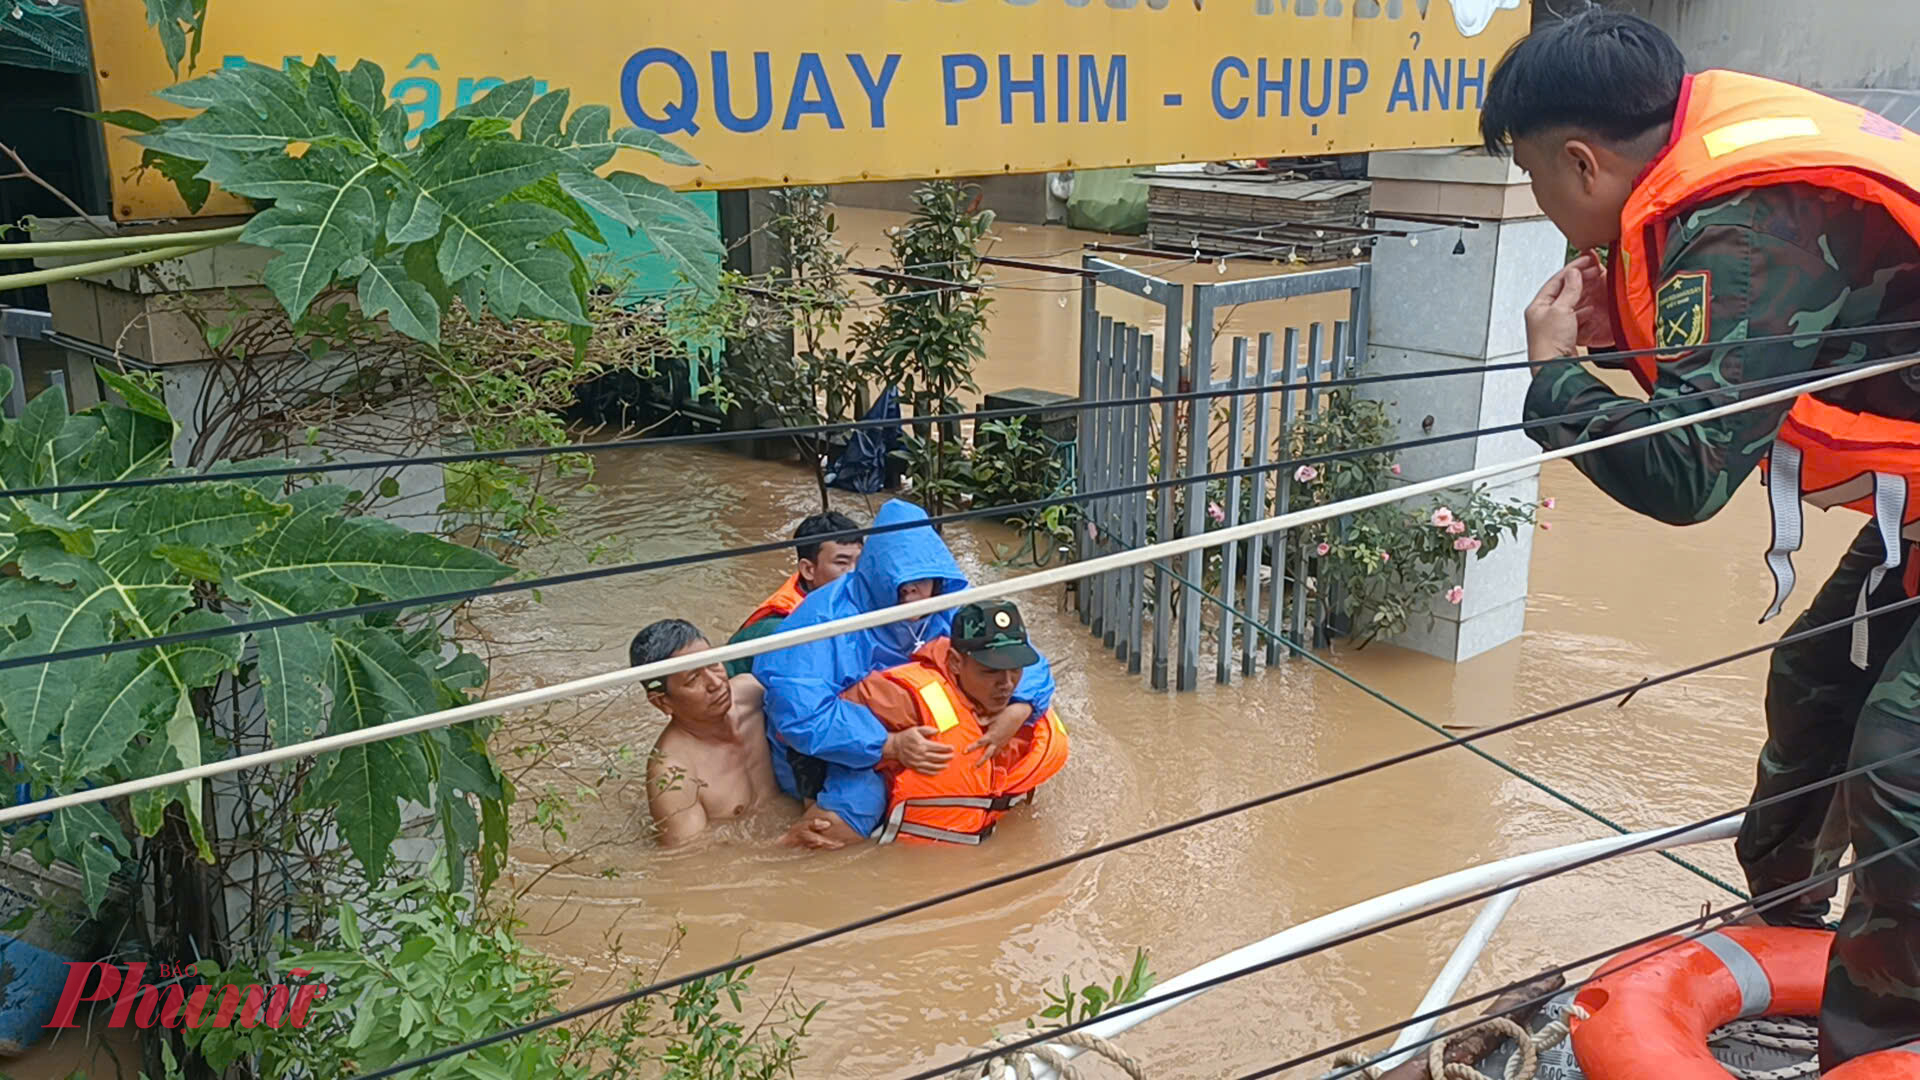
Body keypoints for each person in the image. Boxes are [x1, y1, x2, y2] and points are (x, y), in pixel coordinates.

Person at [1481, 10, 1920, 1066]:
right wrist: (1624, 345)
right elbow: (1741, 363)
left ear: (1582, 161)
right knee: (1815, 684)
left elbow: (1686, 478)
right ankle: (1789, 934)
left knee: (1900, 763)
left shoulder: (1746, 223)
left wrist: (1552, 379)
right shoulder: (1712, 190)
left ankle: (1881, 1041)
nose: (1546, 213)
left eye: (1538, 183)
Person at [754, 499, 1057, 850]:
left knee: (1023, 745)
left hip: (916, 729)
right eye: (902, 583)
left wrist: (1016, 709)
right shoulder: (825, 620)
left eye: (921, 581)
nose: (913, 593)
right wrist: (889, 745)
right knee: (847, 821)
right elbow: (799, 713)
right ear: (879, 576)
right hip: (838, 748)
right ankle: (780, 848)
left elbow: (1026, 659)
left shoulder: (948, 603)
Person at [835, 599, 1069, 845]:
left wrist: (1020, 708)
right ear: (956, 663)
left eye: (1015, 669)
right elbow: (823, 728)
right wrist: (890, 745)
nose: (1007, 683)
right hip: (916, 861)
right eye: (990, 671)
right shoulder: (902, 697)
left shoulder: (1028, 702)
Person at [631, 619, 776, 847]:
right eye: (693, 678)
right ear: (662, 702)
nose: (715, 682)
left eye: (713, 663)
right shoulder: (672, 776)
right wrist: (786, 844)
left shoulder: (753, 694)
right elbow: (694, 865)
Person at [725, 512, 864, 678]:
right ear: (808, 570)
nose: (854, 572)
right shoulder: (775, 630)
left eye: (860, 561)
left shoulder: (863, 599)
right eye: (842, 563)